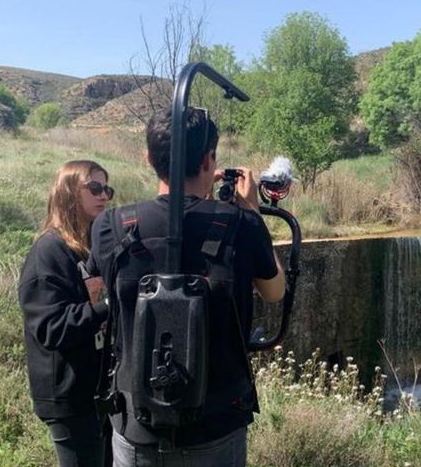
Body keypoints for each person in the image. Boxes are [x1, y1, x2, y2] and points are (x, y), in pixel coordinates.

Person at [87, 108, 285, 467]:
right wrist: (252, 211)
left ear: (149, 158)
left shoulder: (109, 225)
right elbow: (275, 293)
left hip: (136, 425)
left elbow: (96, 294)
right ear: (210, 158)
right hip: (216, 425)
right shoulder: (244, 225)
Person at [18, 160, 115, 466]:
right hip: (68, 395)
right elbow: (50, 327)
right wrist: (108, 306)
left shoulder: (88, 246)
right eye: (95, 187)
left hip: (95, 390)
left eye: (107, 189)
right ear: (69, 192)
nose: (104, 196)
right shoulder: (49, 252)